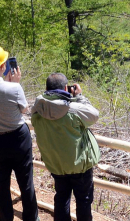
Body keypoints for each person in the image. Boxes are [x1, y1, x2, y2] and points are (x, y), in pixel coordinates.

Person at [31, 73, 100, 221]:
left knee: (61, 198)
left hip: (56, 164)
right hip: (79, 165)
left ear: (46, 88)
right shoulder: (73, 109)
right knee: (84, 201)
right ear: (65, 88)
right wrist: (79, 97)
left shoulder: (38, 108)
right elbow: (94, 115)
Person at [0, 48, 39, 221]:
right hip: (18, 138)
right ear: (3, 67)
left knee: (1, 184)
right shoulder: (14, 88)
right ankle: (31, 218)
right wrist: (15, 83)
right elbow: (24, 109)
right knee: (26, 182)